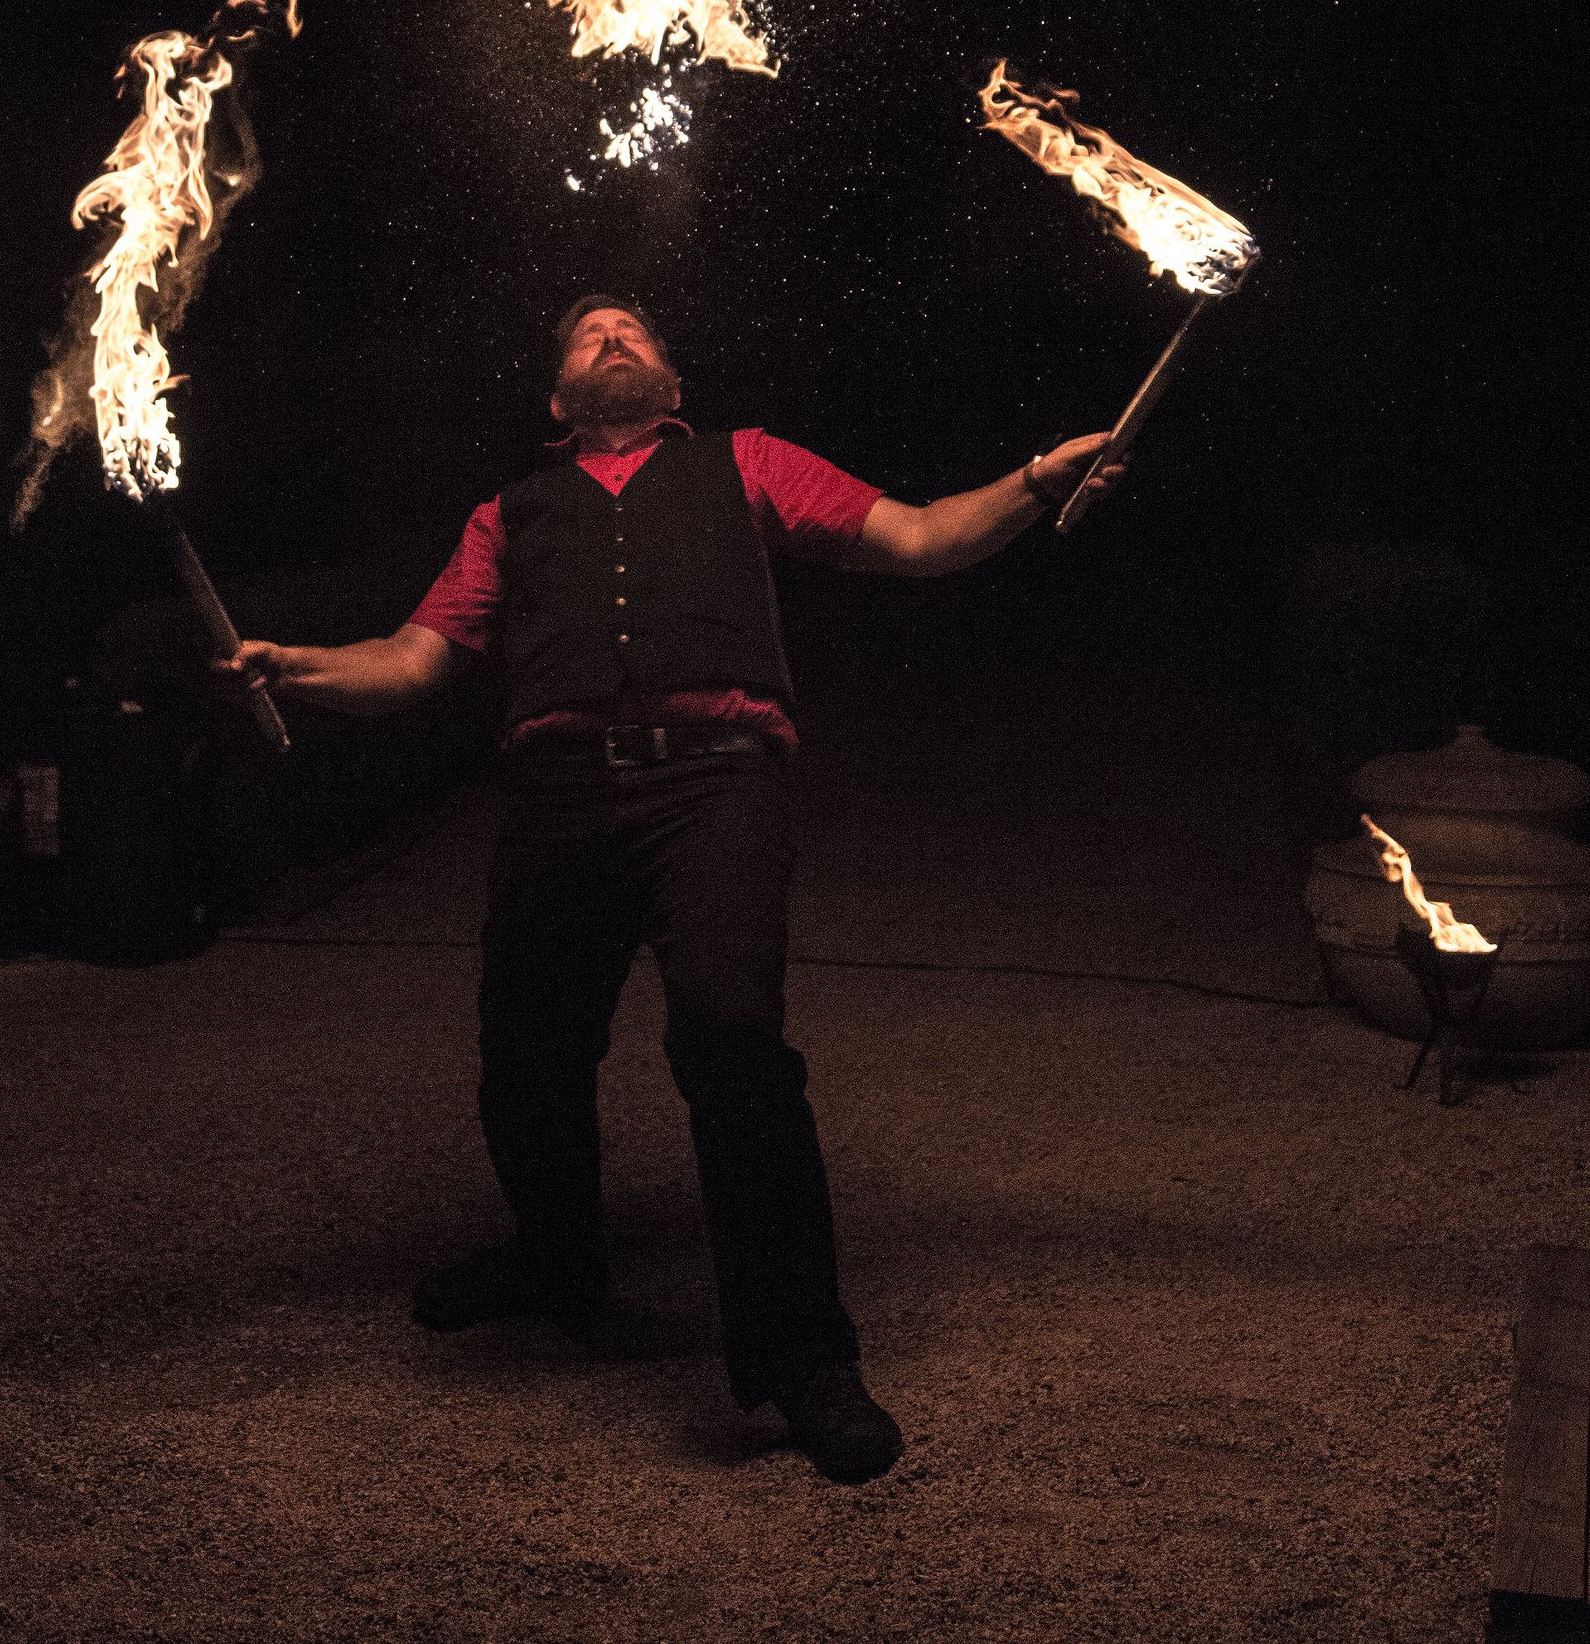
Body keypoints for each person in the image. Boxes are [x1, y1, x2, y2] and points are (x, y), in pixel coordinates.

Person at [221, 294, 1121, 1484]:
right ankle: (558, 1260)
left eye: (632, 328)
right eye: (588, 333)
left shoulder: (748, 462)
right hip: (558, 796)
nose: (611, 336)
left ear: (670, 380)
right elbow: (413, 659)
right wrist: (300, 665)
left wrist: (1034, 481)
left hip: (716, 783)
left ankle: (805, 1358)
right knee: (526, 1049)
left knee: (733, 1033)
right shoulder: (507, 513)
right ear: (556, 399)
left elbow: (920, 535)